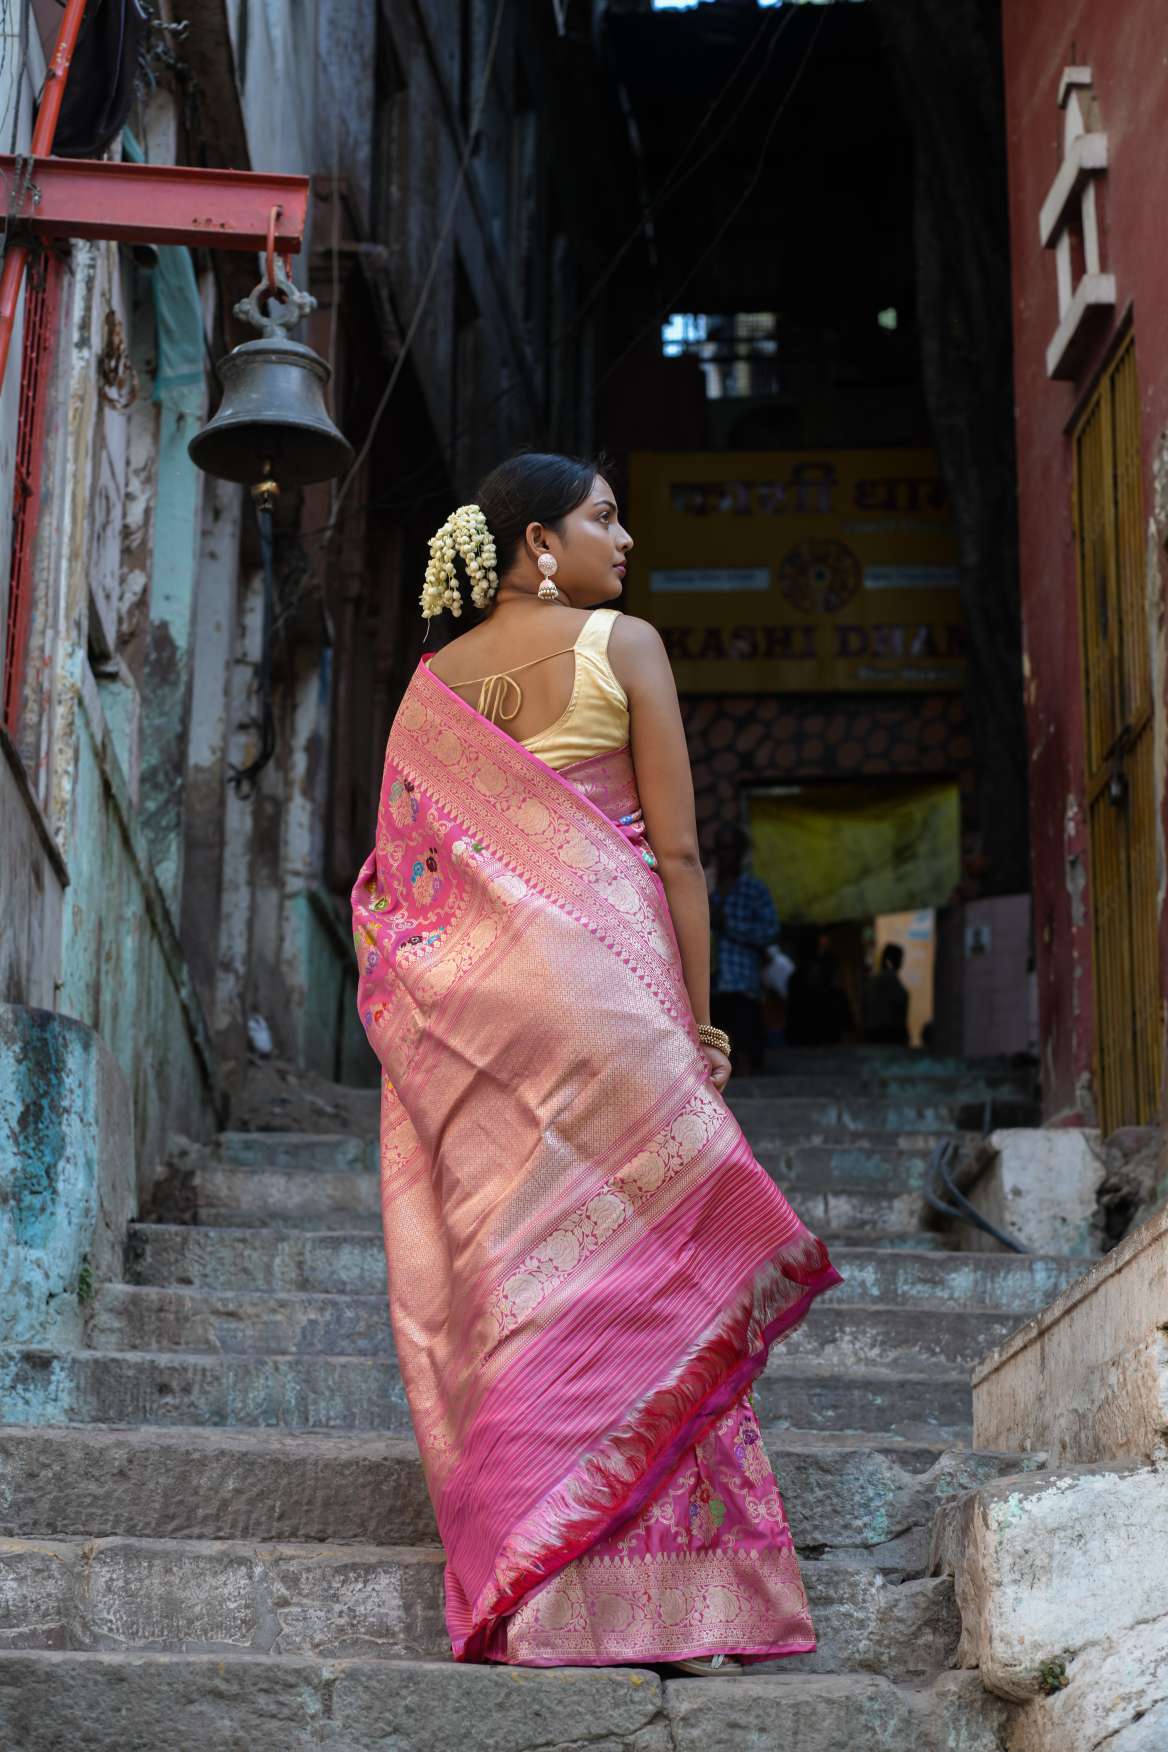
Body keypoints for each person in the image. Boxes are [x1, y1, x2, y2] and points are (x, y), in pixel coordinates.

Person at [351, 453, 841, 1673]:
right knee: (653, 1257)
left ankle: (543, 1595)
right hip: (604, 998)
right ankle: (689, 1600)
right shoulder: (622, 646)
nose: (623, 541)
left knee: (519, 1275)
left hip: (480, 1021)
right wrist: (700, 1020)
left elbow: (396, 890)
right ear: (534, 547)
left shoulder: (428, 692)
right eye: (602, 519)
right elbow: (677, 856)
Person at [708, 826, 780, 1075]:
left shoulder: (754, 890)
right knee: (715, 1059)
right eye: (721, 848)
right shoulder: (705, 889)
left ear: (741, 853)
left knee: (746, 1057)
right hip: (710, 988)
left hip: (743, 988)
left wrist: (728, 925)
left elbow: (770, 931)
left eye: (731, 848)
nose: (726, 854)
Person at [862, 942, 911, 1046]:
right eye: (900, 958)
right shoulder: (891, 980)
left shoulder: (875, 981)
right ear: (891, 960)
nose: (901, 962)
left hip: (873, 1034)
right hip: (889, 1034)